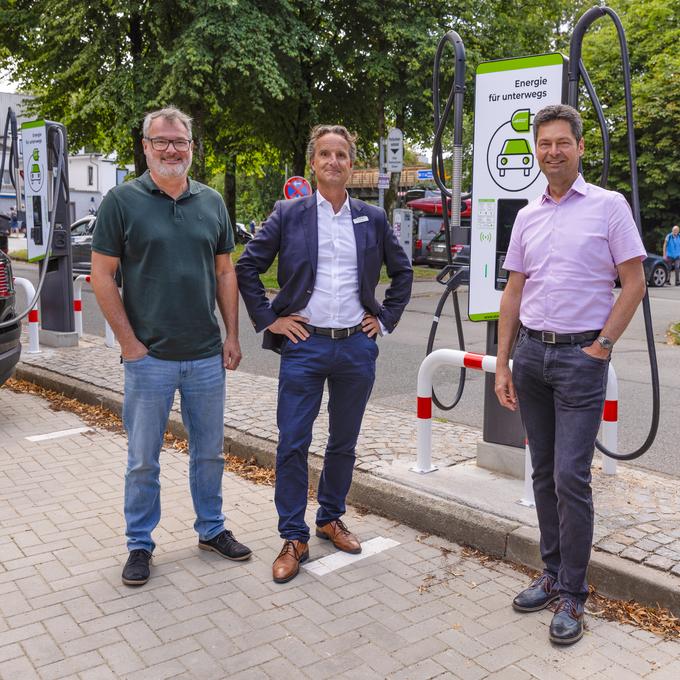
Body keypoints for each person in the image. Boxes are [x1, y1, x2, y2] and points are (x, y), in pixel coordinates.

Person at [494, 104, 646, 645]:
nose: (552, 151)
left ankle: (575, 596)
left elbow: (634, 282)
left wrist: (603, 346)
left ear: (580, 148)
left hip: (582, 360)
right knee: (540, 474)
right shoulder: (528, 215)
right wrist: (504, 362)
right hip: (532, 356)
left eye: (562, 142)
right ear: (535, 150)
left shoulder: (609, 207)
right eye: (544, 143)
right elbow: (514, 290)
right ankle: (552, 574)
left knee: (569, 478)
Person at [236, 124, 413, 584]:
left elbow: (403, 272)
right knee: (293, 441)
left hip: (356, 345)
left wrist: (386, 318)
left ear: (352, 164)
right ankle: (293, 536)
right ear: (313, 163)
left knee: (344, 442)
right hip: (304, 344)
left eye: (342, 155)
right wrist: (269, 318)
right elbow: (247, 266)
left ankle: (330, 517)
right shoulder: (288, 214)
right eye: (325, 154)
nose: (334, 161)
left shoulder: (371, 218)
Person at [90, 106, 251, 587]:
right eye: (160, 141)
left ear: (191, 147)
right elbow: (102, 276)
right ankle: (139, 544)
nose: (171, 149)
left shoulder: (211, 202)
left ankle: (211, 529)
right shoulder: (121, 201)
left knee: (210, 453)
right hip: (150, 359)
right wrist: (129, 344)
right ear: (145, 146)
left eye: (179, 141)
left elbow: (226, 272)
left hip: (205, 356)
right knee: (143, 458)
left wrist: (233, 335)